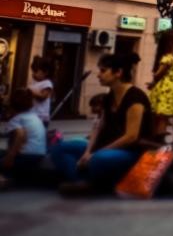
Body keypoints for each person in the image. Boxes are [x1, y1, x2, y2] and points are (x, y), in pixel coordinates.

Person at [49, 52, 154, 195]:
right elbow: (99, 126)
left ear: (118, 73)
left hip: (130, 152)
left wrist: (97, 152)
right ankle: (80, 182)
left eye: (103, 71)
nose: (98, 75)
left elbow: (131, 137)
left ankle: (87, 182)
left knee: (99, 159)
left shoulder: (135, 98)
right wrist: (88, 152)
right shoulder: (110, 96)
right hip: (104, 146)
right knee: (59, 149)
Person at [0, 88, 47, 190]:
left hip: (26, 156)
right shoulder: (35, 117)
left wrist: (10, 157)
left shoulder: (16, 119)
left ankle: (3, 180)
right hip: (39, 154)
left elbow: (21, 135)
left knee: (3, 159)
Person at [148, 31, 173, 144]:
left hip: (169, 90)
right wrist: (154, 79)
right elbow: (158, 74)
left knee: (163, 117)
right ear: (171, 43)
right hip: (165, 91)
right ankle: (159, 139)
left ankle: (158, 137)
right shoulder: (168, 58)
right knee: (163, 117)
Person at [29, 57, 54, 127]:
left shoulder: (47, 83)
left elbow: (43, 96)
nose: (33, 74)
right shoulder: (34, 83)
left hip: (41, 117)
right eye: (33, 71)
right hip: (33, 114)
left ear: (45, 72)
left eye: (36, 71)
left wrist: (31, 93)